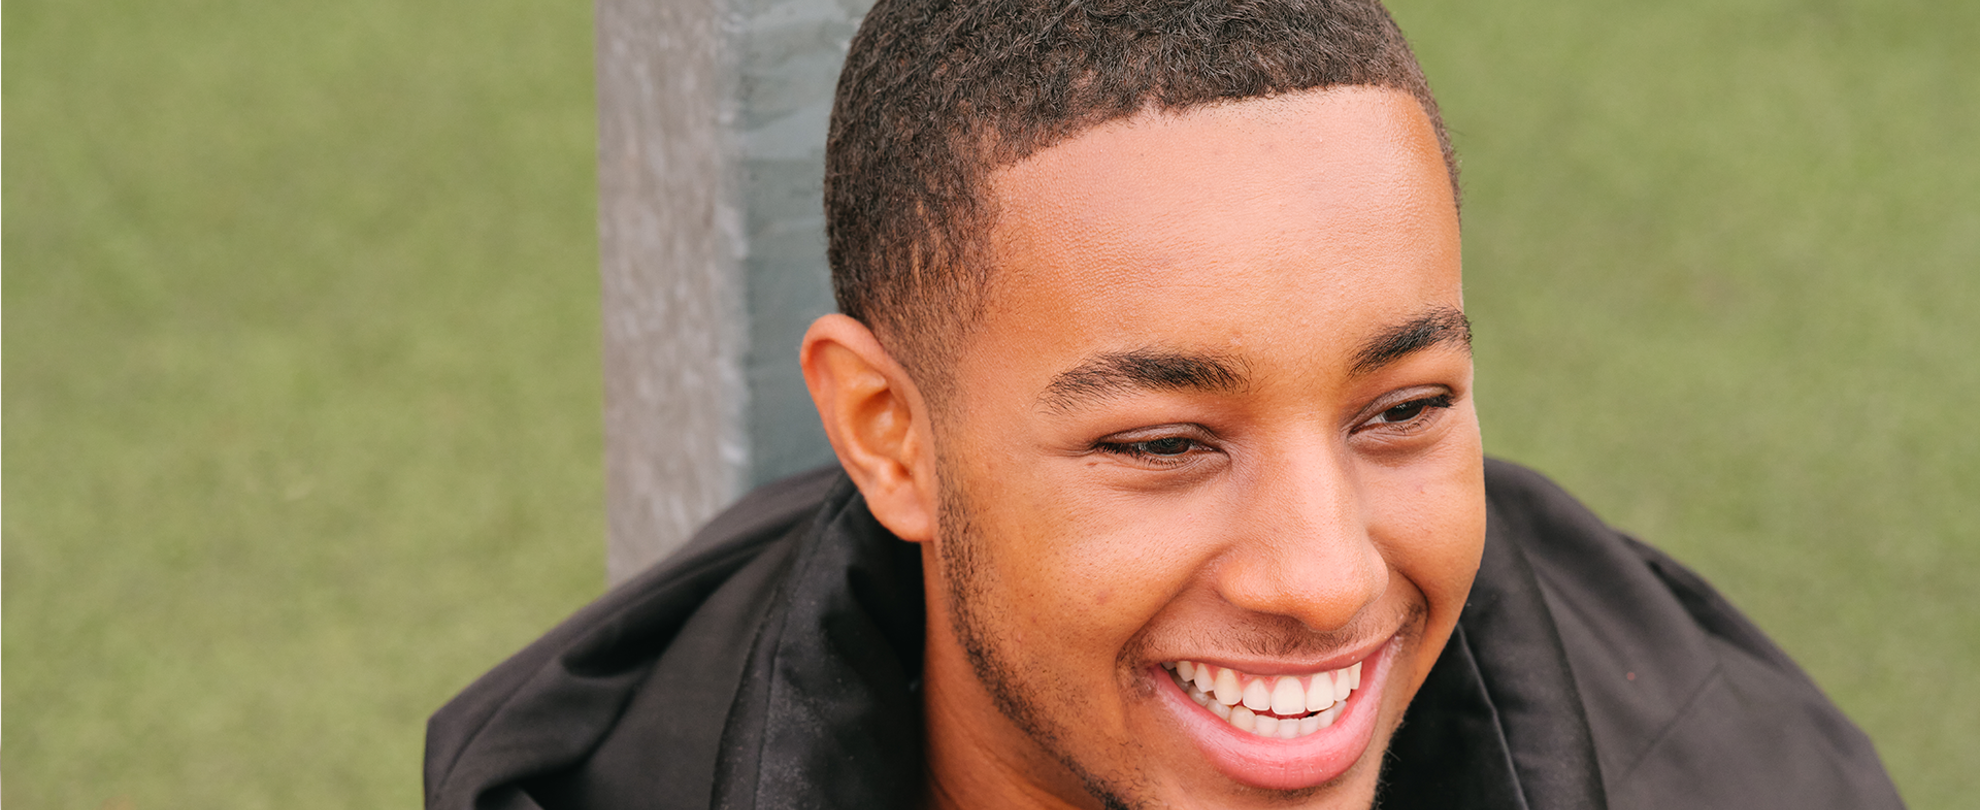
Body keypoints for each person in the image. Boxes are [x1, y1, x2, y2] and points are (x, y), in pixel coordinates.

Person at [424, 1, 1904, 807]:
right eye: (1163, 443)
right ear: (890, 432)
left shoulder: (1726, 771)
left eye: (1399, 409)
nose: (1324, 575)